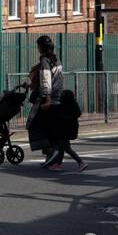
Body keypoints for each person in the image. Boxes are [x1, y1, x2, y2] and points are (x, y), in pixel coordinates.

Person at [37, 36, 86, 171]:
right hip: (59, 98)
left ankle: (76, 161)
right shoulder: (56, 60)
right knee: (61, 138)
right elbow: (59, 79)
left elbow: (46, 81)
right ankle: (57, 163)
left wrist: (47, 100)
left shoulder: (45, 62)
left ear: (41, 47)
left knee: (54, 135)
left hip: (51, 101)